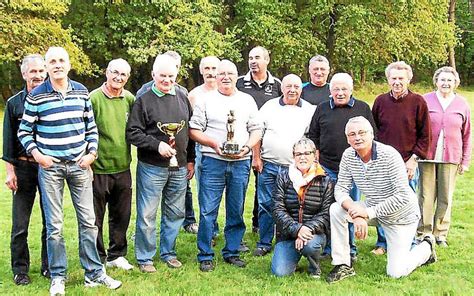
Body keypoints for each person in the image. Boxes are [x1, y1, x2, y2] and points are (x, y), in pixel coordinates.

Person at [17, 47, 122, 295]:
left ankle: (94, 274)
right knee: (54, 226)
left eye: (61, 60)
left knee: (88, 222)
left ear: (69, 64)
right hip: (51, 168)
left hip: (79, 165)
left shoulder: (81, 92)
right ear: (47, 66)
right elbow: (24, 131)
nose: (57, 65)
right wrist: (39, 156)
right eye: (52, 61)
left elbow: (91, 127)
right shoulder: (37, 97)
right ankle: (58, 276)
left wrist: (91, 154)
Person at [327, 116, 436, 283]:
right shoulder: (348, 156)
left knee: (396, 272)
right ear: (347, 139)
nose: (357, 137)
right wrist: (355, 213)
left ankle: (426, 248)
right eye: (352, 134)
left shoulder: (389, 155)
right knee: (336, 209)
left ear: (372, 134)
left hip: (401, 216)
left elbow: (402, 196)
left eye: (362, 133)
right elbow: (341, 189)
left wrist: (366, 213)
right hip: (373, 209)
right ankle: (342, 264)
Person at [190, 60, 263, 272]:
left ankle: (231, 251)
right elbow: (194, 130)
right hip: (213, 161)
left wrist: (247, 148)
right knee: (207, 211)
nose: (225, 77)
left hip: (240, 162)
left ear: (236, 76)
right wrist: (214, 144)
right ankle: (205, 254)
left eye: (230, 73)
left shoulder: (247, 100)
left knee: (236, 209)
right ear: (215, 76)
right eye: (221, 73)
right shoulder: (205, 100)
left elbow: (256, 129)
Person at [126, 54, 195, 273]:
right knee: (147, 214)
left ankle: (169, 252)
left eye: (171, 76)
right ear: (153, 75)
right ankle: (145, 257)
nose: (167, 80)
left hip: (180, 166)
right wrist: (156, 145)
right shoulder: (144, 100)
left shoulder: (182, 97)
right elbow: (132, 133)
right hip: (152, 167)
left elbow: (189, 132)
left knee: (175, 212)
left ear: (176, 75)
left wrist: (191, 160)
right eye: (162, 76)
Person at [308, 73, 376, 260]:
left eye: (344, 89)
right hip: (327, 167)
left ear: (351, 89)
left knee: (352, 209)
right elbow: (313, 136)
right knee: (329, 209)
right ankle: (330, 248)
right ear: (330, 91)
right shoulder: (322, 108)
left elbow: (372, 137)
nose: (340, 92)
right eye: (336, 89)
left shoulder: (362, 108)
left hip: (354, 169)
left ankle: (351, 249)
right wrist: (317, 161)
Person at [371, 61, 431, 255]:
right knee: (382, 202)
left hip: (407, 162)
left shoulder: (418, 102)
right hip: (383, 162)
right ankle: (383, 243)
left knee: (407, 203)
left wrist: (413, 160)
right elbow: (374, 132)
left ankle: (409, 241)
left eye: (401, 79)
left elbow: (425, 135)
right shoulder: (380, 101)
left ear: (409, 79)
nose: (397, 82)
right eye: (393, 78)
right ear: (388, 79)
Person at [252, 74, 316, 256]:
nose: (292, 90)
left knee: (292, 206)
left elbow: (313, 139)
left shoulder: (309, 110)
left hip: (295, 169)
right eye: (288, 86)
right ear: (282, 88)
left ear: (301, 89)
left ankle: (285, 240)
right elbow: (257, 132)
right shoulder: (269, 107)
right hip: (269, 165)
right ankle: (264, 242)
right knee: (265, 204)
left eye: (296, 86)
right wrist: (256, 158)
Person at [2, 54, 49, 285]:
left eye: (41, 71)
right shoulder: (14, 103)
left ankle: (48, 266)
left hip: (48, 169)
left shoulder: (52, 99)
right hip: (23, 168)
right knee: (20, 224)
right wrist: (10, 172)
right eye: (33, 72)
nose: (38, 75)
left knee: (51, 221)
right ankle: (20, 269)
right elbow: (8, 142)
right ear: (24, 74)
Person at [418, 66, 471, 247]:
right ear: (436, 81)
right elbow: (417, 128)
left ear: (455, 83)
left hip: (451, 157)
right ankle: (424, 232)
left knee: (445, 196)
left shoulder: (462, 104)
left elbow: (467, 134)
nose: (446, 83)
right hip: (427, 156)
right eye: (442, 80)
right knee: (425, 195)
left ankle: (440, 233)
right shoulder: (425, 100)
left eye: (450, 80)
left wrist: (465, 161)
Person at [90, 58, 135, 270]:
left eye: (123, 75)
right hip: (98, 169)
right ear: (106, 72)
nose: (118, 77)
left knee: (122, 215)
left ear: (127, 78)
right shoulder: (93, 99)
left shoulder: (129, 99)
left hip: (123, 167)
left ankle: (116, 254)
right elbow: (84, 133)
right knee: (95, 217)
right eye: (114, 72)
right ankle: (97, 257)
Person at [271, 138, 334, 278]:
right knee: (280, 273)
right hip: (288, 235)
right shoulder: (283, 176)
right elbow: (277, 209)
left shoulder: (326, 179)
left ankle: (314, 268)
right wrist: (297, 229)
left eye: (307, 153)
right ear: (293, 156)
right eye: (298, 154)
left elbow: (326, 213)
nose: (303, 157)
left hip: (314, 234)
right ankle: (293, 257)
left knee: (311, 246)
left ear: (315, 155)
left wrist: (307, 229)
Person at [237, 46, 282, 237]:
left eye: (257, 58)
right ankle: (236, 226)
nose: (253, 61)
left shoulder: (278, 84)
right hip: (241, 144)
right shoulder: (239, 83)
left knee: (263, 187)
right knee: (238, 188)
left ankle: (259, 223)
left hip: (268, 145)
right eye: (250, 58)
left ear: (267, 60)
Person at [186, 55, 221, 235]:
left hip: (226, 151)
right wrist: (189, 158)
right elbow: (190, 130)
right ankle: (210, 231)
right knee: (205, 192)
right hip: (201, 150)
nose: (211, 73)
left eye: (214, 69)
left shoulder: (229, 92)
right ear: (201, 71)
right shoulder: (194, 95)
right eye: (206, 69)